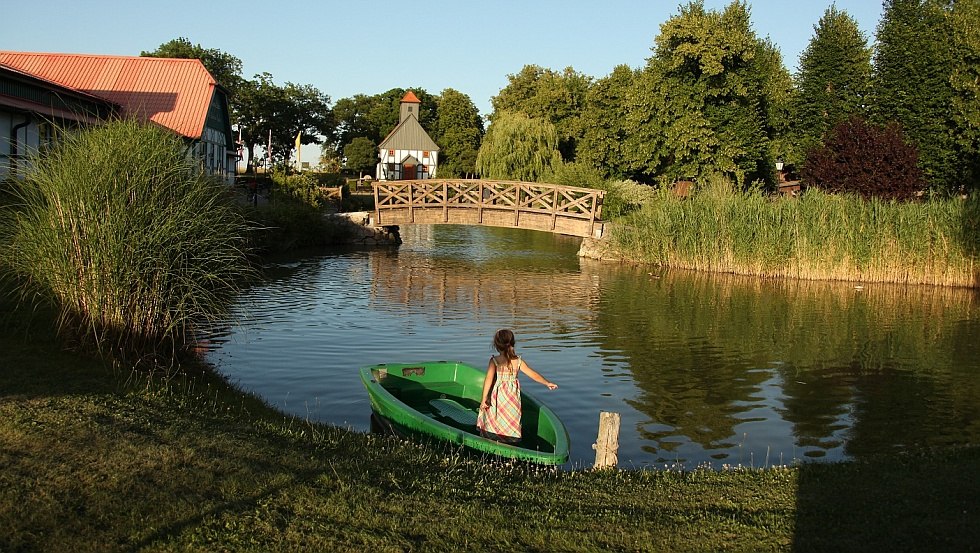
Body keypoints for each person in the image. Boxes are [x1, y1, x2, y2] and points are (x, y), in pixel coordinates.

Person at [476, 329, 557, 443]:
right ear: (512, 343)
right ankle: (511, 438)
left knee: (495, 415)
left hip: (498, 396)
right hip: (512, 397)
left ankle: (493, 436)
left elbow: (488, 380)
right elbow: (532, 374)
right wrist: (547, 383)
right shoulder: (518, 361)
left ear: (497, 345)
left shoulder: (495, 361)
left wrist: (484, 399)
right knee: (511, 415)